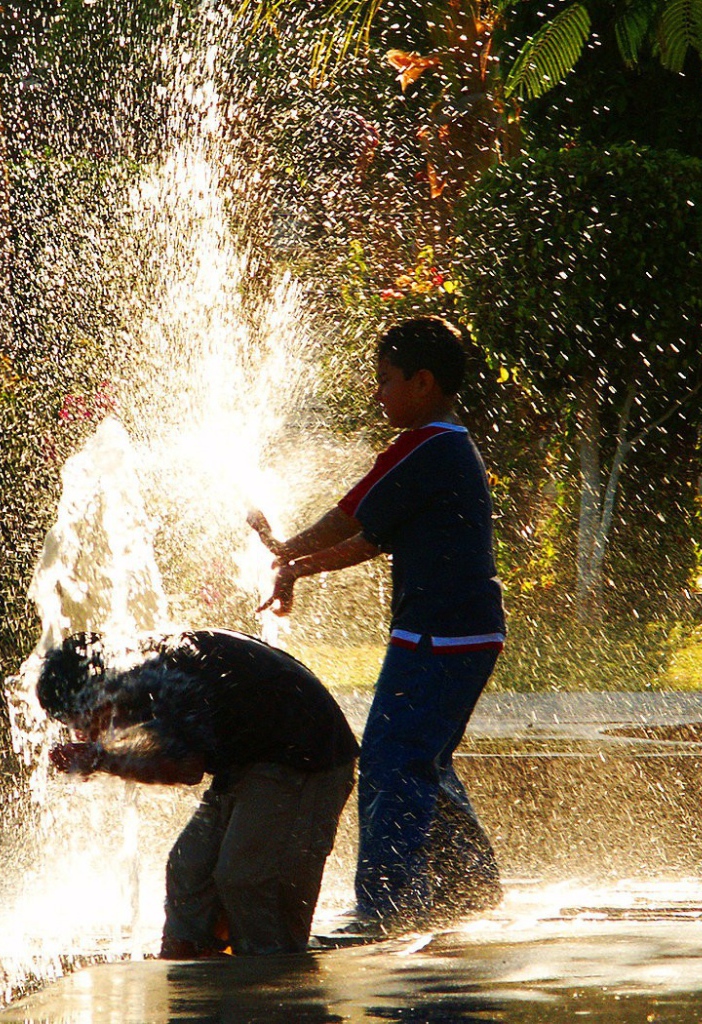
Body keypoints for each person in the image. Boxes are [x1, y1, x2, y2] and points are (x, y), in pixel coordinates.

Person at [249, 315, 503, 936]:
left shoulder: (427, 446)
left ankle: (386, 906)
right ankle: (471, 883)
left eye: (385, 380)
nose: (377, 393)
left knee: (394, 761)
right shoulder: (445, 446)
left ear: (423, 382)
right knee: (422, 758)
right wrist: (291, 559)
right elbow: (370, 539)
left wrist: (287, 556)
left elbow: (348, 518)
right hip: (458, 632)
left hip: (440, 636)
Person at [37, 628, 358, 958]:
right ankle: (191, 960)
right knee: (187, 869)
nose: (80, 730)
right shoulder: (140, 669)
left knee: (246, 877)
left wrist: (101, 759)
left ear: (98, 691)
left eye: (79, 716)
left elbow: (184, 768)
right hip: (253, 759)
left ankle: (272, 983)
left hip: (307, 759)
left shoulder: (161, 681)